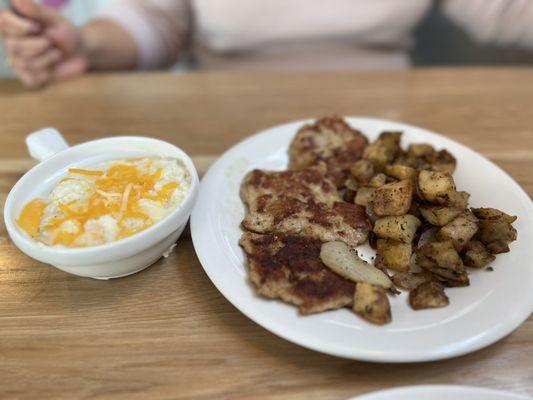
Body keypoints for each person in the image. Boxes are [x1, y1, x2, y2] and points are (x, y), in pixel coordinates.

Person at [1, 0, 533, 88]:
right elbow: (155, 21)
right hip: (224, 115)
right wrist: (84, 46)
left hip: (390, 110)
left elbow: (502, 10)